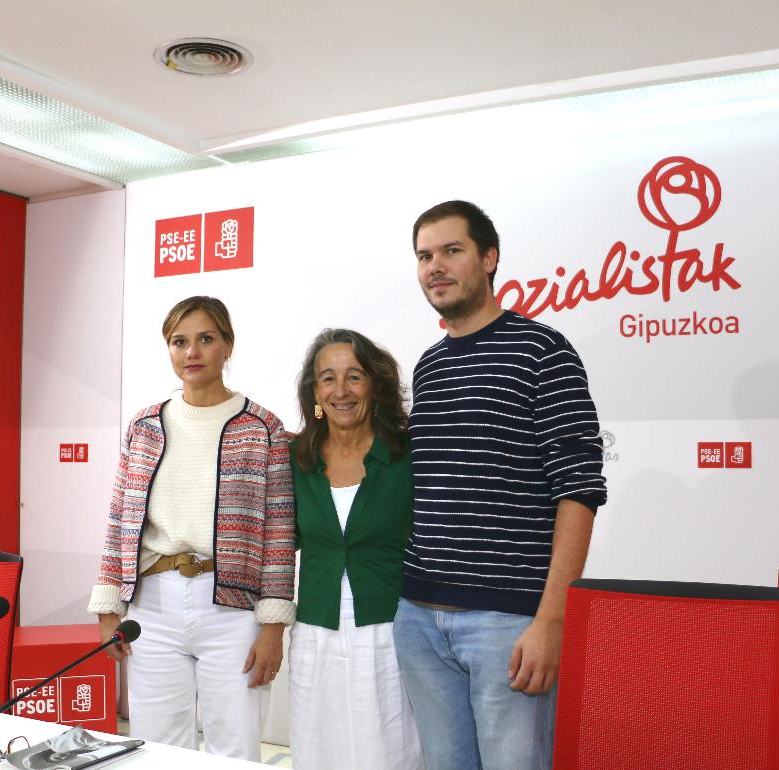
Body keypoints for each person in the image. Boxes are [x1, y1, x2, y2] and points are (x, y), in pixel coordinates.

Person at [393, 201, 607, 770]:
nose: (435, 267)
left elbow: (580, 490)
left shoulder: (544, 351)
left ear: (489, 259)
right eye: (424, 256)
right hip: (417, 617)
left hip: (507, 624)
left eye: (451, 251)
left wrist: (551, 619)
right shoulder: (429, 366)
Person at [87, 296, 294, 761]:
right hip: (152, 608)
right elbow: (119, 518)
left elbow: (279, 533)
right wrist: (108, 608)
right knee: (158, 748)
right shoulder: (144, 424)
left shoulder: (263, 427)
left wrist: (273, 626)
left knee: (234, 748)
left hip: (233, 611)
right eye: (179, 342)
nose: (192, 352)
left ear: (228, 345)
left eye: (206, 339)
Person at [287, 329, 423, 770]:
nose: (340, 391)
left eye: (354, 376)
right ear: (314, 391)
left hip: (390, 632)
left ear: (375, 385)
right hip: (315, 632)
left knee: (389, 754)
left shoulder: (407, 454)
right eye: (328, 378)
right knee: (317, 752)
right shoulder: (295, 458)